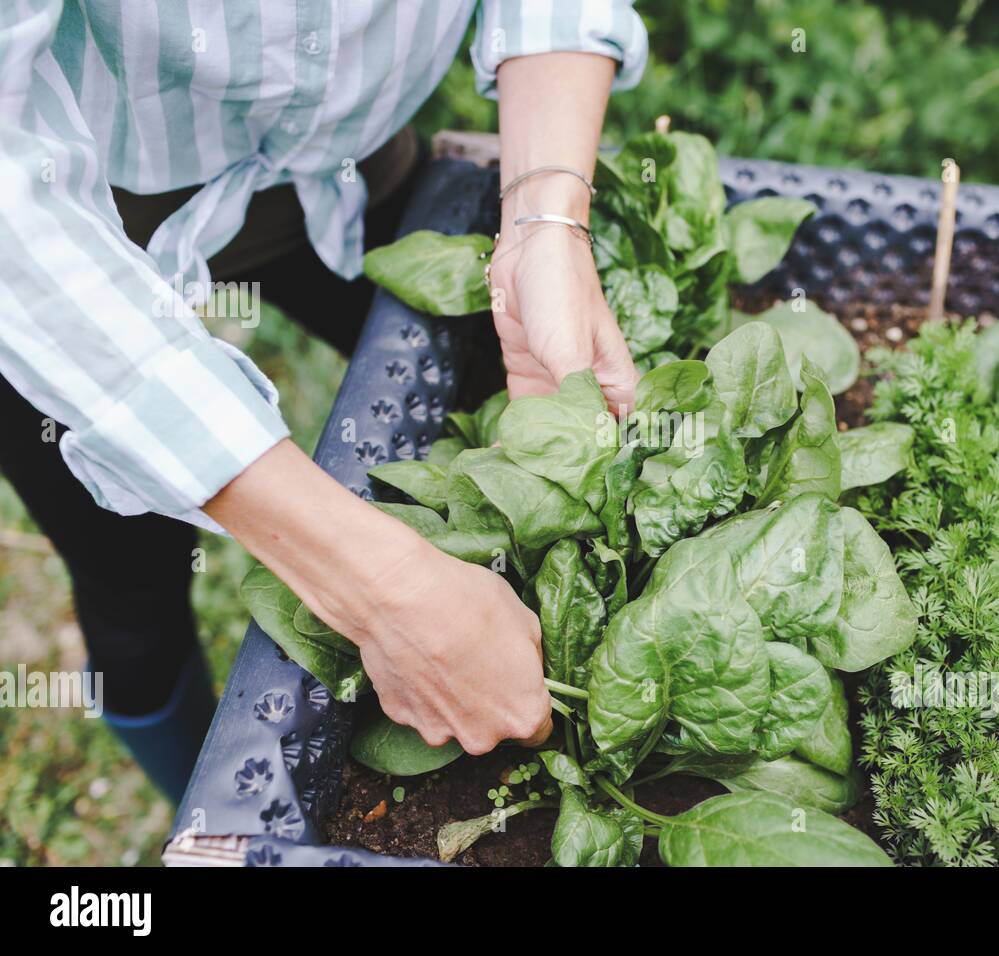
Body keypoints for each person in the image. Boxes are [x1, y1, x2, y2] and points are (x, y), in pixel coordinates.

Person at [0, 0, 646, 802]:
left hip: (344, 159)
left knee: (496, 390)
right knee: (128, 571)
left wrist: (544, 221)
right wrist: (380, 587)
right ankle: (200, 805)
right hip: (72, 216)